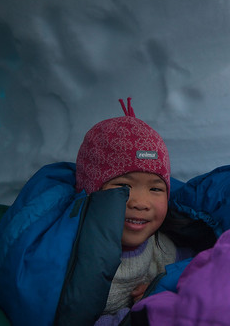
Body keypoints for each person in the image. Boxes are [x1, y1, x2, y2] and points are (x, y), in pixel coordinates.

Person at [75, 98, 177, 323]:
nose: (141, 202)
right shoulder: (72, 251)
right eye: (124, 187)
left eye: (155, 188)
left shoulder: (161, 248)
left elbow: (193, 273)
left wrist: (159, 291)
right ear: (91, 191)